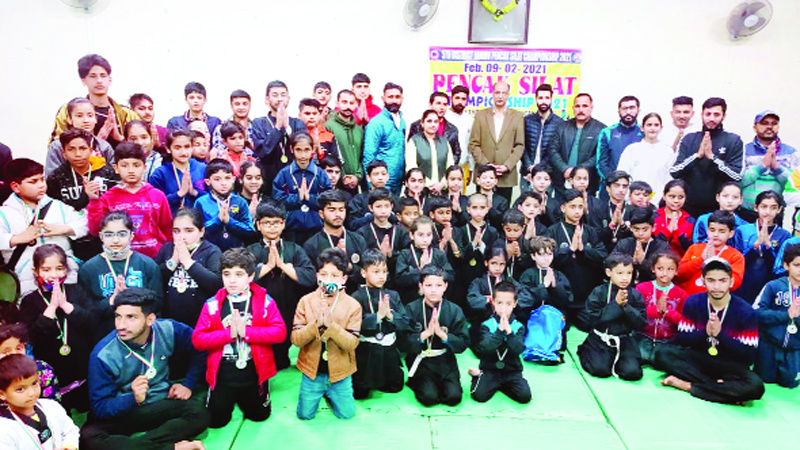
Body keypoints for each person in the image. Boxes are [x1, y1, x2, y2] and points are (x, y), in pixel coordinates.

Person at [82, 288, 208, 450]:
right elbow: (100, 407)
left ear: (150, 319)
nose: (121, 325)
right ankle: (172, 447)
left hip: (160, 403)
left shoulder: (169, 329)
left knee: (199, 413)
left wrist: (188, 384)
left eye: (131, 317)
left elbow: (201, 346)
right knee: (89, 439)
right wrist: (133, 398)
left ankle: (143, 447)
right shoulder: (103, 354)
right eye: (118, 316)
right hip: (125, 412)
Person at [192, 248, 284, 428]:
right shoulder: (212, 304)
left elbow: (279, 333)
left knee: (260, 417)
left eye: (239, 274)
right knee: (216, 422)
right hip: (222, 374)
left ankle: (254, 398)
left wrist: (247, 332)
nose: (232, 280)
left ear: (250, 276)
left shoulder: (265, 301)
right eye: (227, 274)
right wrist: (229, 334)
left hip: (254, 373)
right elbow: (198, 340)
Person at [656, 258, 764, 404]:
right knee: (662, 354)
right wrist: (705, 333)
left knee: (756, 387)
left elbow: (749, 356)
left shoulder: (746, 312)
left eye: (722, 280)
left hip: (730, 365)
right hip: (700, 359)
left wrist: (720, 335)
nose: (717, 286)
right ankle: (723, 389)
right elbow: (682, 339)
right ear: (703, 281)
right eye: (711, 280)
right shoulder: (693, 302)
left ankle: (689, 386)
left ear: (731, 282)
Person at [19, 245, 96, 412]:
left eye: (59, 268)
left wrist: (67, 306)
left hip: (81, 366)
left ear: (66, 270)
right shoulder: (29, 301)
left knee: (88, 411)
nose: (53, 275)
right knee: (59, 412)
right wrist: (52, 308)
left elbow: (92, 323)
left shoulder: (76, 291)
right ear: (35, 271)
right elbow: (32, 337)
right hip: (52, 373)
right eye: (46, 269)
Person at [291, 248, 362, 420]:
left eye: (335, 276)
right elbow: (296, 340)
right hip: (312, 373)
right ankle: (319, 393)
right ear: (317, 276)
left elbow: (352, 344)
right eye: (324, 274)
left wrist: (331, 326)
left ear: (344, 279)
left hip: (341, 373)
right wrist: (316, 325)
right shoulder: (305, 301)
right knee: (304, 415)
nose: (328, 280)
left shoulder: (353, 306)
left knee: (346, 414)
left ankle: (331, 395)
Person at [0, 158, 87, 295]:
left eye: (42, 179)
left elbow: (84, 224)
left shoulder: (58, 206)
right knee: (33, 314)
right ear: (16, 186)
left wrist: (63, 229)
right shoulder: (4, 213)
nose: (41, 185)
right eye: (33, 182)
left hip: (64, 274)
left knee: (70, 311)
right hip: (25, 278)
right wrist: (16, 238)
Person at [248, 199, 316, 370]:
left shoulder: (294, 248)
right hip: (259, 308)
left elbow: (310, 277)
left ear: (283, 224)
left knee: (282, 359)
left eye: (276, 222)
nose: (272, 227)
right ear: (258, 225)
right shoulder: (251, 250)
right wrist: (268, 267)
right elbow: (241, 277)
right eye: (267, 223)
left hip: (288, 304)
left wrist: (284, 266)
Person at [78, 211, 163, 341]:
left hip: (142, 336)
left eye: (122, 234)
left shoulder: (148, 265)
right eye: (109, 235)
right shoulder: (89, 269)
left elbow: (157, 304)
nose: (115, 240)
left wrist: (132, 300)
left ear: (131, 236)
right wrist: (112, 300)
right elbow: (87, 313)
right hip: (105, 336)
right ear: (101, 237)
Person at [87, 142, 172, 258]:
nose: (131, 170)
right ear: (116, 168)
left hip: (155, 259)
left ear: (144, 168)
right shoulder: (108, 198)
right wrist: (94, 200)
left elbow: (168, 230)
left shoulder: (158, 196)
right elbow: (96, 230)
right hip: (119, 258)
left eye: (136, 165)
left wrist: (168, 255)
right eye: (125, 165)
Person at [401, 265, 469, 406]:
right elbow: (403, 341)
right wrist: (425, 334)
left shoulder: (454, 310)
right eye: (428, 285)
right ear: (421, 286)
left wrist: (443, 336)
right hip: (422, 360)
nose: (433, 290)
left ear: (445, 286)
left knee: (453, 398)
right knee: (429, 398)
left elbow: (463, 342)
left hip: (445, 359)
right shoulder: (412, 309)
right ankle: (418, 382)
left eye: (438, 285)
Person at [544, 189, 608, 330]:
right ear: (563, 208)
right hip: (561, 297)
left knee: (589, 327)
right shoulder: (553, 231)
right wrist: (569, 249)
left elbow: (602, 255)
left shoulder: (590, 231)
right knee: (560, 330)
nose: (577, 211)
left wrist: (584, 250)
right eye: (573, 207)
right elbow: (548, 259)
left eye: (580, 206)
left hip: (585, 296)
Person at [670, 97, 744, 217]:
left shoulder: (733, 140)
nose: (711, 118)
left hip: (720, 209)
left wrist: (712, 158)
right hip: (689, 207)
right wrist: (697, 156)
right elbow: (674, 171)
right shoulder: (689, 139)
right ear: (702, 115)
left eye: (716, 114)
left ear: (723, 116)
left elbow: (736, 176)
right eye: (708, 114)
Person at [578, 253, 646, 380]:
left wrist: (626, 307)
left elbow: (641, 322)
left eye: (629, 273)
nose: (625, 278)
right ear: (609, 272)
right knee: (600, 370)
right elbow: (591, 319)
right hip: (601, 339)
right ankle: (585, 350)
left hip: (625, 341)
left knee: (632, 373)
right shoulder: (599, 292)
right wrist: (616, 305)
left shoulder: (636, 295)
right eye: (620, 273)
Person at [351, 249, 408, 399]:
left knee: (395, 386)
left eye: (384, 271)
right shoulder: (356, 297)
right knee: (361, 392)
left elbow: (405, 322)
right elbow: (353, 324)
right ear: (364, 273)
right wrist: (377, 317)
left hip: (388, 347)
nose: (381, 276)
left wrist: (389, 315)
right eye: (376, 272)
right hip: (366, 349)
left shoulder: (393, 295)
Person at [50, 54, 139, 148]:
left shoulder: (128, 114)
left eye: (103, 75)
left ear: (110, 80)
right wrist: (97, 141)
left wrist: (120, 138)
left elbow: (142, 149)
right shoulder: (69, 110)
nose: (99, 81)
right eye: (93, 76)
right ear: (83, 80)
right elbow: (56, 148)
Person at [154, 208, 222, 328]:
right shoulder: (167, 249)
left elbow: (216, 285)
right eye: (176, 231)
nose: (182, 236)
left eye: (188, 231)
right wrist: (173, 262)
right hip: (169, 320)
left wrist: (188, 262)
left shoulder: (212, 251)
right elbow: (155, 281)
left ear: (201, 231)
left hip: (202, 321)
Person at [0, 354, 80, 450]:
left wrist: (69, 446)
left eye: (34, 383)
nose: (31, 393)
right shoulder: (4, 429)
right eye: (20, 389)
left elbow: (70, 430)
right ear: (2, 394)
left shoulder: (52, 406)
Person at [470, 280, 531, 404]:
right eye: (499, 303)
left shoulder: (519, 326)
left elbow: (518, 349)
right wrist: (499, 331)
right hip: (490, 370)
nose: (503, 308)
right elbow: (485, 348)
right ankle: (479, 376)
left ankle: (501, 386)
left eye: (508, 304)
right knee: (479, 396)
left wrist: (509, 333)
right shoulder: (487, 325)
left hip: (511, 372)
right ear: (493, 303)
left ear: (515, 304)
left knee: (525, 397)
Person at [468, 81, 525, 203]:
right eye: (497, 92)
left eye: (503, 93)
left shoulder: (517, 116)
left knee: (502, 213)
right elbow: (474, 144)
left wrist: (507, 166)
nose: (500, 96)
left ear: (508, 95)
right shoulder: (480, 115)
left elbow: (519, 145)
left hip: (506, 175)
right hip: (484, 175)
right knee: (480, 210)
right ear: (492, 94)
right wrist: (486, 165)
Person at [753, 243, 800, 388]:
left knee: (791, 385)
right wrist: (786, 314)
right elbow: (756, 313)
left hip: (795, 349)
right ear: (786, 265)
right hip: (769, 346)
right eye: (797, 265)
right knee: (764, 382)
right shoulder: (773, 286)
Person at [272, 132, 332, 243]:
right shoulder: (284, 174)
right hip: (291, 229)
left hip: (316, 228)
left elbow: (328, 200)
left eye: (306, 150)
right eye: (298, 150)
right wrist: (297, 198)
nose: (303, 155)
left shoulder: (320, 174)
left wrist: (310, 198)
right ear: (291, 149)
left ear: (312, 150)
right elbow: (277, 201)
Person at [303, 190, 368, 293]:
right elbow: (309, 281)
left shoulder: (358, 240)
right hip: (324, 301)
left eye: (341, 209)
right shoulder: (311, 245)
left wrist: (350, 267)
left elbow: (368, 276)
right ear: (321, 213)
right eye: (332, 210)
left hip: (355, 299)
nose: (338, 214)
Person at [251, 81, 307, 196]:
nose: (280, 99)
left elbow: (303, 149)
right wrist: (277, 128)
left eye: (283, 95)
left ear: (289, 99)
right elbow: (261, 151)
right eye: (275, 95)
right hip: (268, 180)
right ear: (267, 99)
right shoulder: (259, 123)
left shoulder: (297, 123)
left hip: (293, 180)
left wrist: (287, 128)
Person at [741, 110, 798, 222]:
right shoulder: (743, 150)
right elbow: (739, 181)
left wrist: (776, 168)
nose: (769, 127)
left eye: (774, 123)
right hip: (747, 213)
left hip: (775, 215)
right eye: (764, 123)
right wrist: (762, 166)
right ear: (755, 127)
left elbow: (794, 185)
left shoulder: (791, 153)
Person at [733, 191, 790, 303]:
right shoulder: (743, 230)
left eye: (773, 208)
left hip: (769, 283)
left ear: (779, 210)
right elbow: (737, 261)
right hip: (744, 283)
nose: (768, 212)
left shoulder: (784, 235)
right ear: (755, 207)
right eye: (764, 207)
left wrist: (768, 247)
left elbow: (779, 268)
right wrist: (755, 246)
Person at [46, 128, 118, 213]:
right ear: (63, 153)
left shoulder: (108, 173)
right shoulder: (55, 178)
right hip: (70, 224)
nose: (78, 154)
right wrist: (85, 195)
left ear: (91, 150)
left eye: (83, 148)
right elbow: (54, 210)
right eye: (71, 149)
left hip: (105, 223)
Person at [633, 252, 688, 365]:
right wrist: (655, 310)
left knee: (662, 362)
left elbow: (684, 323)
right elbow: (635, 314)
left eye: (670, 269)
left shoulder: (681, 294)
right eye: (660, 268)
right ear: (653, 269)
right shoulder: (642, 288)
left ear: (676, 271)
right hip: (643, 336)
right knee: (635, 359)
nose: (665, 273)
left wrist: (669, 312)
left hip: (667, 341)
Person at [548, 93, 606, 196]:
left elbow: (598, 155)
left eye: (585, 106)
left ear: (591, 108)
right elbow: (552, 150)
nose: (581, 110)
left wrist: (577, 172)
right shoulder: (562, 127)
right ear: (573, 108)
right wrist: (564, 169)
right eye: (577, 106)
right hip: (561, 183)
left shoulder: (601, 129)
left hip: (587, 185)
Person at [676, 210, 744, 296]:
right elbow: (680, 273)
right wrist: (701, 260)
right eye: (712, 230)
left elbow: (734, 283)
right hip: (688, 298)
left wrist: (713, 264)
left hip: (715, 301)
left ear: (731, 233)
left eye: (721, 231)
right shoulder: (694, 248)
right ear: (707, 230)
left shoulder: (735, 256)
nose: (716, 234)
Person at [194, 159, 255, 251]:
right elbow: (196, 232)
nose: (223, 183)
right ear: (207, 181)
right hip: (209, 252)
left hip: (237, 252)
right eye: (217, 179)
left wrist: (229, 221)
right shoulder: (201, 202)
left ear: (233, 179)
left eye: (227, 178)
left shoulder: (240, 202)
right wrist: (217, 220)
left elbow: (250, 231)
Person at [45, 97, 116, 176]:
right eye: (79, 116)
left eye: (90, 115)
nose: (86, 120)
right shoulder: (58, 146)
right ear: (70, 119)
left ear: (95, 119)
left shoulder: (104, 146)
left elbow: (113, 176)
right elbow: (51, 178)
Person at [616, 112, 676, 205]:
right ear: (642, 128)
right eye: (649, 125)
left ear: (661, 128)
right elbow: (622, 176)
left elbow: (669, 180)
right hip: (633, 203)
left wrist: (662, 199)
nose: (652, 128)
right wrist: (630, 198)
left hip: (658, 202)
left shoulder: (668, 152)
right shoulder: (632, 150)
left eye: (656, 125)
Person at [357, 188, 410, 286]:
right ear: (371, 208)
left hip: (397, 283)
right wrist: (379, 255)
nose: (383, 211)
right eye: (378, 206)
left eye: (386, 206)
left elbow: (407, 257)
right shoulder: (363, 232)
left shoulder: (401, 232)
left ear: (392, 207)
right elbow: (362, 259)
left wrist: (391, 255)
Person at [396, 216, 454, 304]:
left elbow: (450, 275)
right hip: (411, 301)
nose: (425, 239)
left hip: (436, 300)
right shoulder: (405, 254)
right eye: (420, 235)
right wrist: (420, 269)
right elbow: (399, 279)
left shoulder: (438, 254)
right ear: (412, 235)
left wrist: (434, 276)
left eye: (428, 234)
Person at [149, 129, 207, 214]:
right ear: (168, 149)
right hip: (171, 223)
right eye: (177, 147)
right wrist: (179, 194)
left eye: (187, 147)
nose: (183, 152)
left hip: (199, 223)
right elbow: (154, 204)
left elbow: (213, 199)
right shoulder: (160, 174)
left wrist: (194, 192)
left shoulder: (203, 168)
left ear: (192, 148)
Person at [363, 83, 407, 194]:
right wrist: (371, 185)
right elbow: (368, 156)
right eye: (390, 97)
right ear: (383, 99)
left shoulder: (402, 122)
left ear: (402, 99)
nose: (394, 101)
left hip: (397, 183)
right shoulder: (376, 123)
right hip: (381, 184)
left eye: (397, 97)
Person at [0, 324, 61, 401]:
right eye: (6, 351)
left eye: (18, 348)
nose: (14, 354)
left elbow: (53, 402)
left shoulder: (41, 369)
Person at [613, 207, 669, 284]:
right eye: (636, 229)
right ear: (631, 228)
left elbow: (662, 274)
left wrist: (643, 261)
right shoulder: (624, 243)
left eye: (645, 229)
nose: (640, 233)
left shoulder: (662, 246)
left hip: (650, 287)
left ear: (653, 228)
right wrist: (632, 262)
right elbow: (612, 266)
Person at [522, 84, 564, 187]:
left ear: (551, 100)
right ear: (536, 99)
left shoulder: (559, 123)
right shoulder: (527, 120)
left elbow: (555, 150)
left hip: (547, 175)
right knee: (527, 202)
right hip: (527, 174)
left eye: (547, 98)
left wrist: (539, 168)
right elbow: (521, 146)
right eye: (540, 98)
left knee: (544, 202)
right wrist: (529, 167)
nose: (543, 101)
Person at [596, 96, 643, 185]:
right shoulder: (607, 132)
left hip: (637, 187)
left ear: (638, 110)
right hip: (611, 185)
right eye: (624, 108)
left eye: (632, 108)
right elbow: (601, 163)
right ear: (619, 111)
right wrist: (615, 181)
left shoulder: (644, 132)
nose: (628, 112)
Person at [406, 110, 455, 195]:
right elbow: (411, 167)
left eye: (436, 122)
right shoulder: (414, 141)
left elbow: (450, 167)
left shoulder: (444, 141)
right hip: (420, 190)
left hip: (442, 190)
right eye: (429, 121)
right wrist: (429, 185)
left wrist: (442, 184)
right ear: (422, 123)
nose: (433, 125)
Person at [325, 90, 364, 195]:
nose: (348, 106)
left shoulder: (358, 130)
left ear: (356, 104)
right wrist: (342, 176)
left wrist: (357, 176)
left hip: (355, 184)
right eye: (344, 102)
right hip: (335, 183)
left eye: (351, 103)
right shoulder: (328, 126)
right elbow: (327, 156)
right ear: (337, 103)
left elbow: (361, 156)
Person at [408, 92, 462, 165]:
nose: (442, 107)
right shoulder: (417, 126)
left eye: (444, 104)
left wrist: (448, 168)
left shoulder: (452, 129)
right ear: (430, 105)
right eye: (438, 103)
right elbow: (411, 153)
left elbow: (456, 153)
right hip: (421, 171)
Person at [653, 180, 695, 257]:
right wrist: (668, 230)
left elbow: (689, 248)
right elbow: (652, 245)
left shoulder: (690, 221)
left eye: (680, 197)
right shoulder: (654, 216)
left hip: (680, 263)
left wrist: (676, 231)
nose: (676, 201)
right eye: (672, 196)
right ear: (664, 196)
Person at [345, 160, 391, 231]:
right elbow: (352, 224)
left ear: (387, 177)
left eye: (383, 174)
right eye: (376, 174)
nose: (380, 177)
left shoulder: (394, 199)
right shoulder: (358, 200)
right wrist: (373, 217)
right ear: (368, 177)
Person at [445, 85, 475, 182]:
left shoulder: (470, 120)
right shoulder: (443, 117)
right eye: (457, 98)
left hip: (462, 167)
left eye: (463, 99)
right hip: (443, 167)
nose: (460, 102)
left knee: (460, 196)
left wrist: (471, 169)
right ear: (451, 98)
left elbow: (470, 146)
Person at [297, 98, 339, 163]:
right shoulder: (295, 135)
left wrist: (320, 151)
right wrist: (312, 151)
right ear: (299, 115)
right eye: (307, 114)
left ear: (319, 115)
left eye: (314, 113)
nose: (311, 117)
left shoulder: (329, 136)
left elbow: (336, 162)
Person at [474, 164, 510, 231]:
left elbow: (502, 222)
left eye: (491, 178)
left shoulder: (502, 201)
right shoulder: (472, 199)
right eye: (484, 178)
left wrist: (491, 209)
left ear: (496, 181)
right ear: (478, 180)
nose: (488, 181)